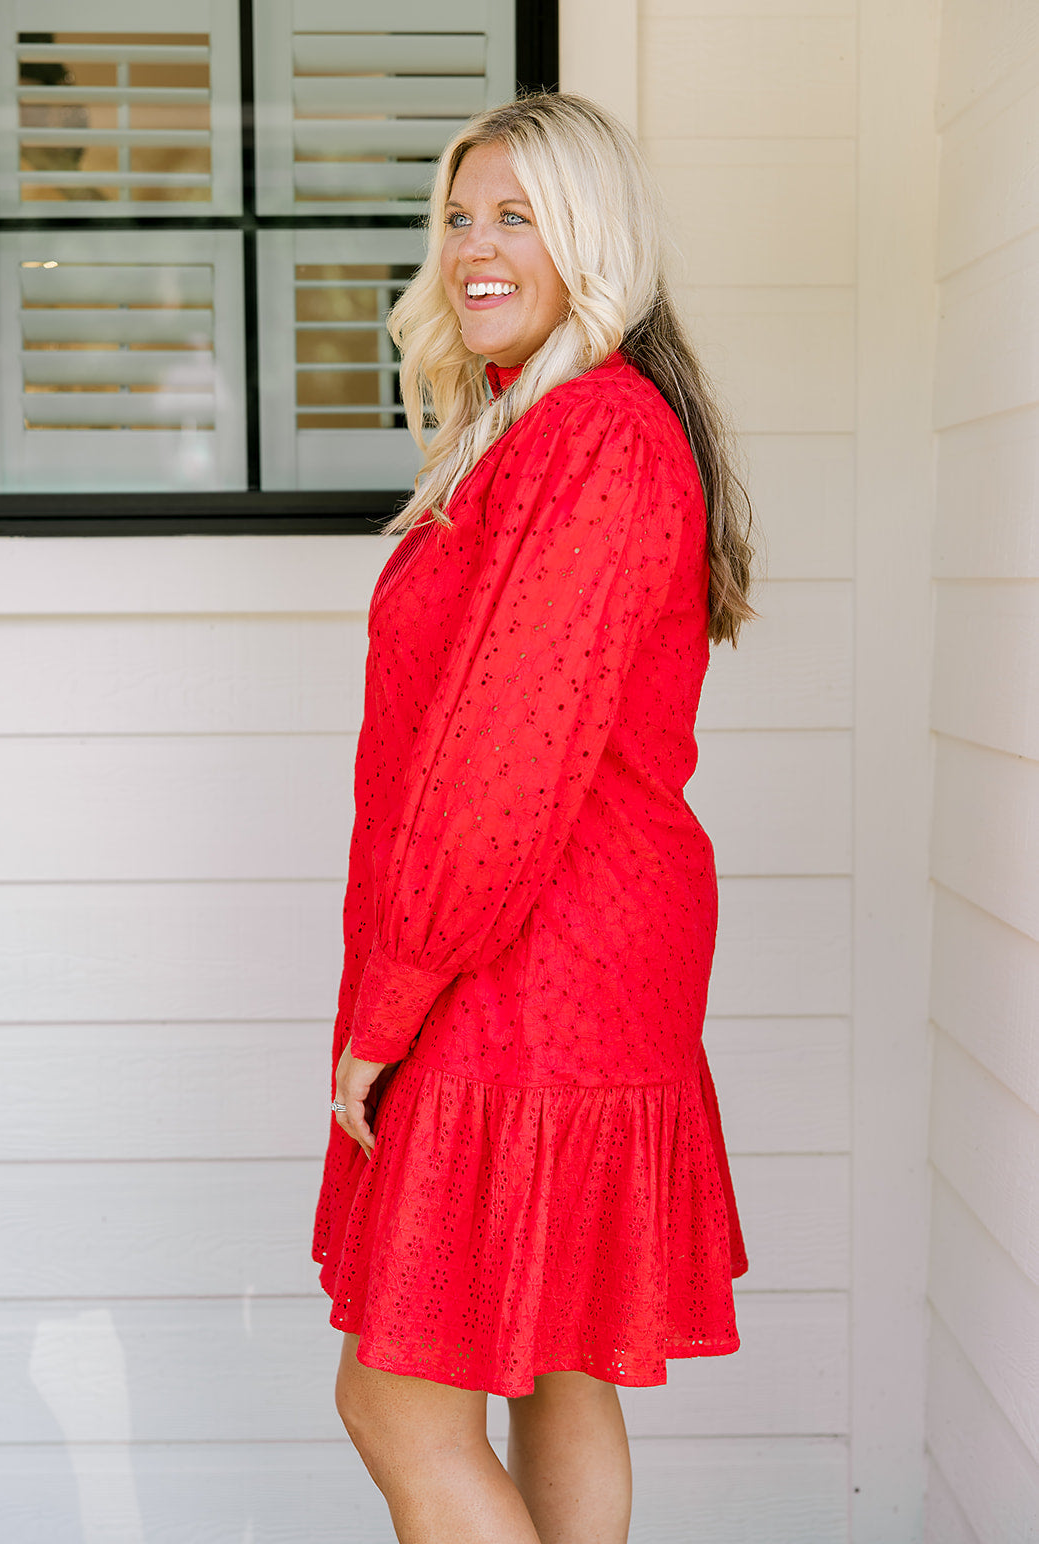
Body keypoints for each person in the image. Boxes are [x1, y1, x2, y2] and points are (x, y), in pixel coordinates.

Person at [311, 91, 754, 1544]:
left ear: (592, 242)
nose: (472, 249)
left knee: (395, 1399)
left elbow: (501, 767)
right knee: (556, 1368)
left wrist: (389, 1004)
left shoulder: (594, 438)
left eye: (516, 217)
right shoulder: (549, 427)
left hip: (528, 977)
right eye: (456, 217)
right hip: (566, 959)